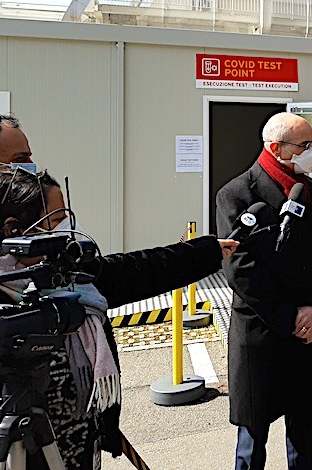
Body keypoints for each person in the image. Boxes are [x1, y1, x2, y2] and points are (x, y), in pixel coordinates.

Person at [0, 166, 235, 469]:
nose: (66, 229)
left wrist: (207, 251)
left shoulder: (69, 276)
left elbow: (141, 270)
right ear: (13, 230)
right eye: (55, 221)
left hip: (80, 447)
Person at [216, 112, 312, 470]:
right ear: (276, 149)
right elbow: (240, 269)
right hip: (262, 333)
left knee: (305, 435)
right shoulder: (236, 195)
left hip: (309, 333)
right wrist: (290, 317)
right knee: (252, 440)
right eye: (305, 146)